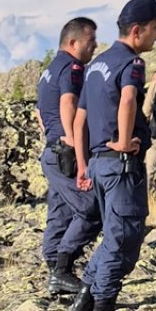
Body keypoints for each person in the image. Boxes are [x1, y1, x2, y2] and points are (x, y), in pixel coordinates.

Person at [67, 0, 156, 311]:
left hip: (98, 164)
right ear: (137, 31)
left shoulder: (96, 65)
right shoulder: (131, 62)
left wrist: (82, 163)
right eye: (155, 28)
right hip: (120, 164)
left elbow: (79, 120)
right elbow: (127, 99)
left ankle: (84, 301)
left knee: (111, 236)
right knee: (123, 239)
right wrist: (125, 141)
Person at [36, 17, 101, 293]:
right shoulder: (73, 67)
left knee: (60, 210)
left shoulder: (49, 69)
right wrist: (76, 144)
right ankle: (61, 269)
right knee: (90, 208)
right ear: (73, 42)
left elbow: (40, 112)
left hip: (53, 150)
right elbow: (68, 102)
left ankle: (55, 269)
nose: (95, 46)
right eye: (91, 41)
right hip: (65, 152)